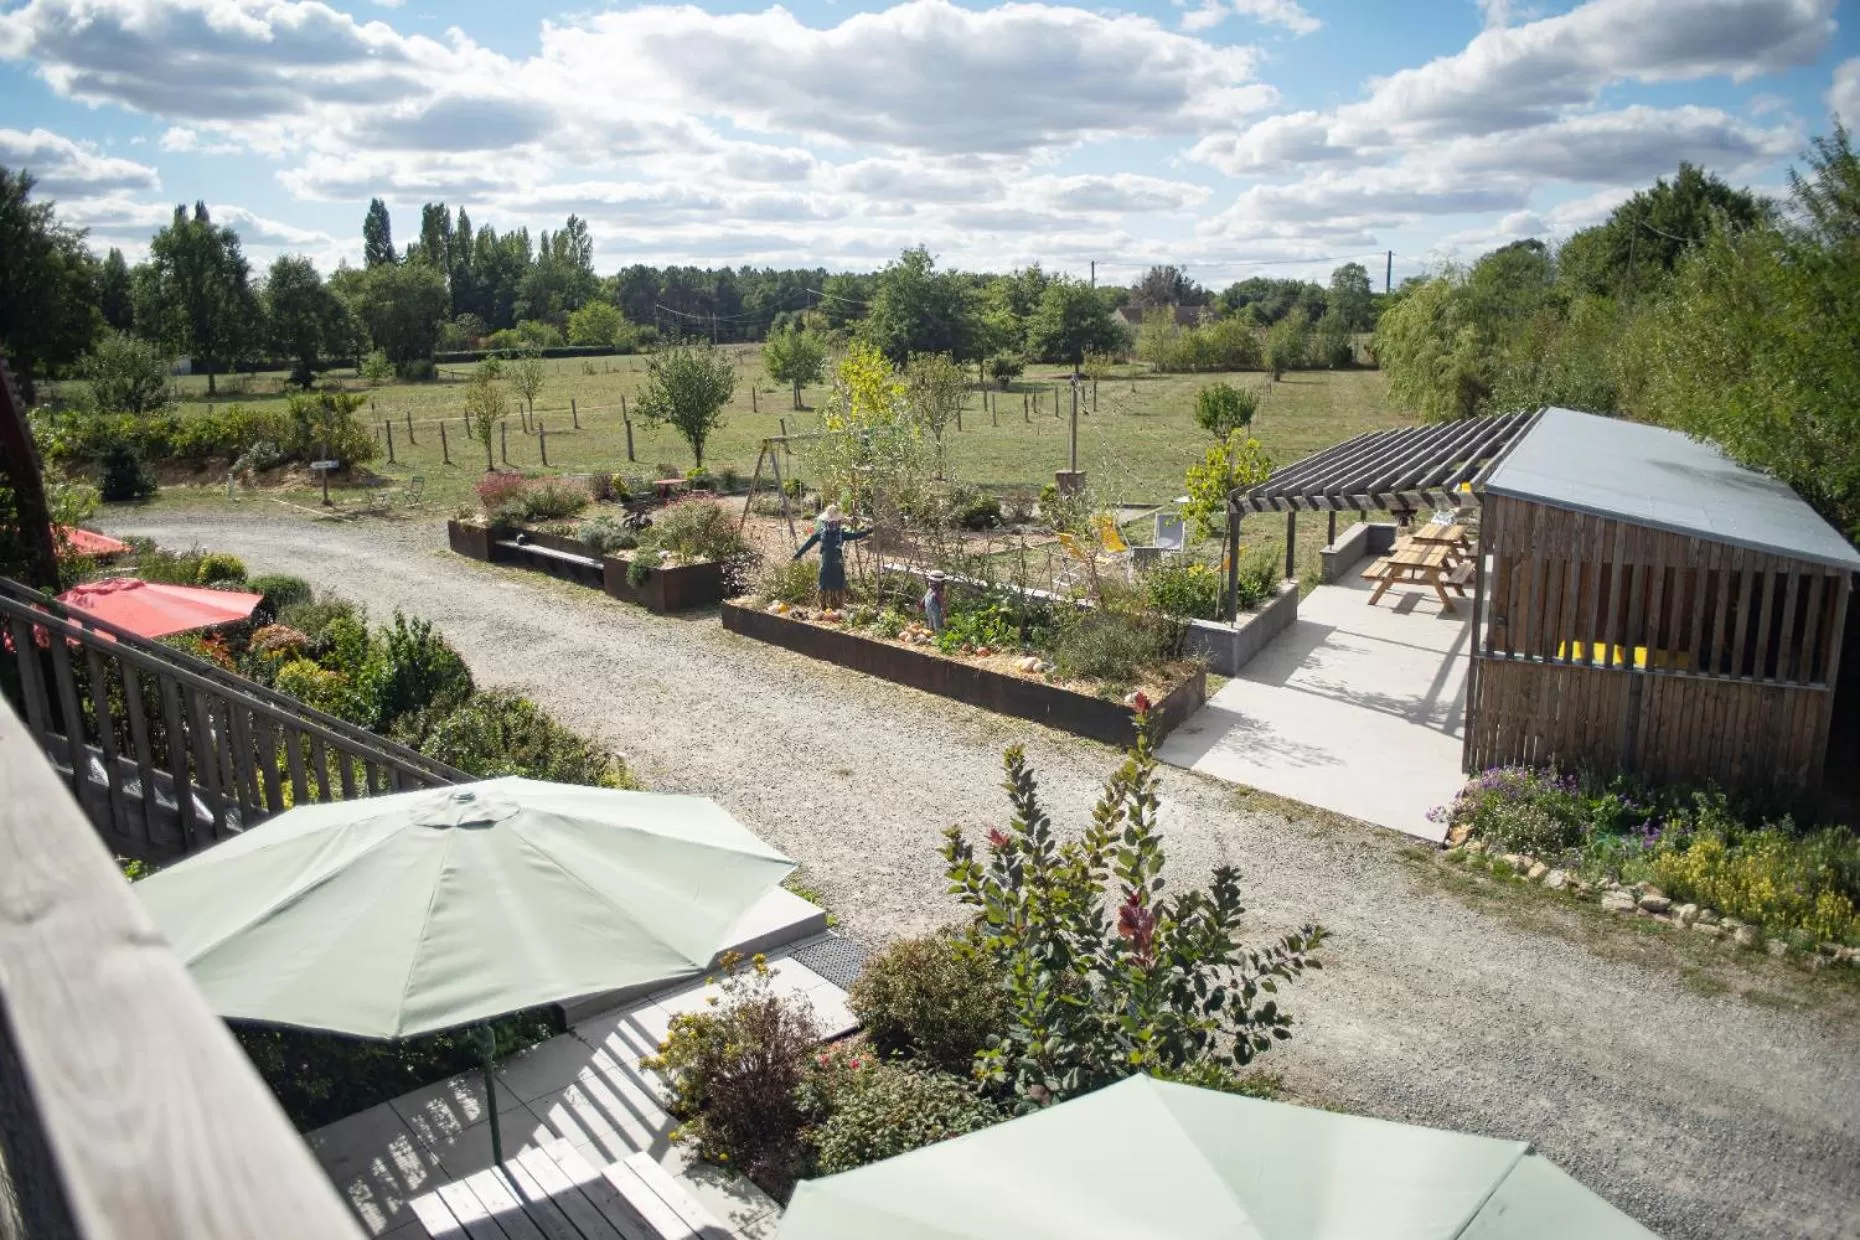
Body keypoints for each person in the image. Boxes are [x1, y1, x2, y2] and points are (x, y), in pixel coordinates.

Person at [792, 503, 872, 609]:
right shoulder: (821, 534)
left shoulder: (842, 534)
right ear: (825, 522)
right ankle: (823, 608)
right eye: (829, 522)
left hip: (837, 565)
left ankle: (838, 608)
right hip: (826, 564)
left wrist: (867, 531)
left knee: (838, 586)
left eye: (834, 522)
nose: (831, 524)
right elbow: (808, 544)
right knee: (823, 586)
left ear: (838, 522)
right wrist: (797, 556)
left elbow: (855, 535)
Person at [922, 570, 948, 634]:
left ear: (939, 583)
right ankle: (931, 633)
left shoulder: (938, 593)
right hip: (928, 611)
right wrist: (921, 604)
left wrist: (945, 615)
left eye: (933, 582)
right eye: (930, 581)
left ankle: (938, 636)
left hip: (936, 613)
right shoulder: (929, 590)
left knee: (937, 625)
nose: (931, 583)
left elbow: (943, 604)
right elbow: (924, 598)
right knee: (930, 623)